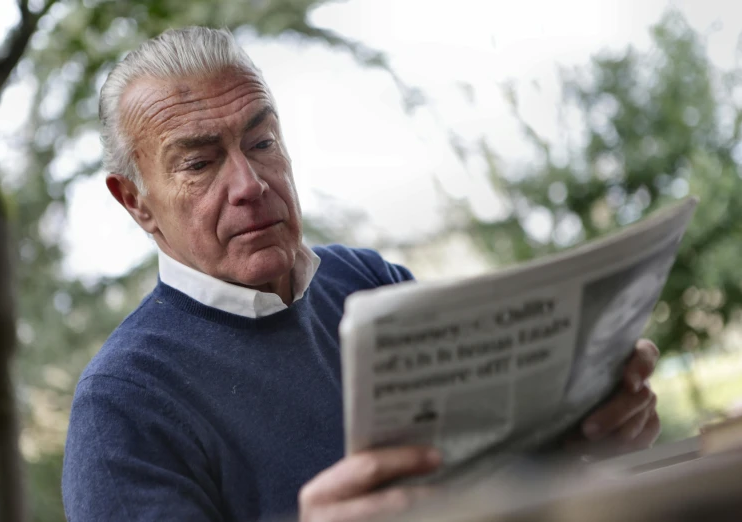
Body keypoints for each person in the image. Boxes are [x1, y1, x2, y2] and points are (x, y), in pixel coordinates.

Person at [61, 27, 661, 522]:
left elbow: (492, 472)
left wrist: (580, 442)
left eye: (262, 141)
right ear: (135, 201)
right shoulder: (124, 405)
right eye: (198, 163)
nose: (249, 184)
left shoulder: (369, 282)